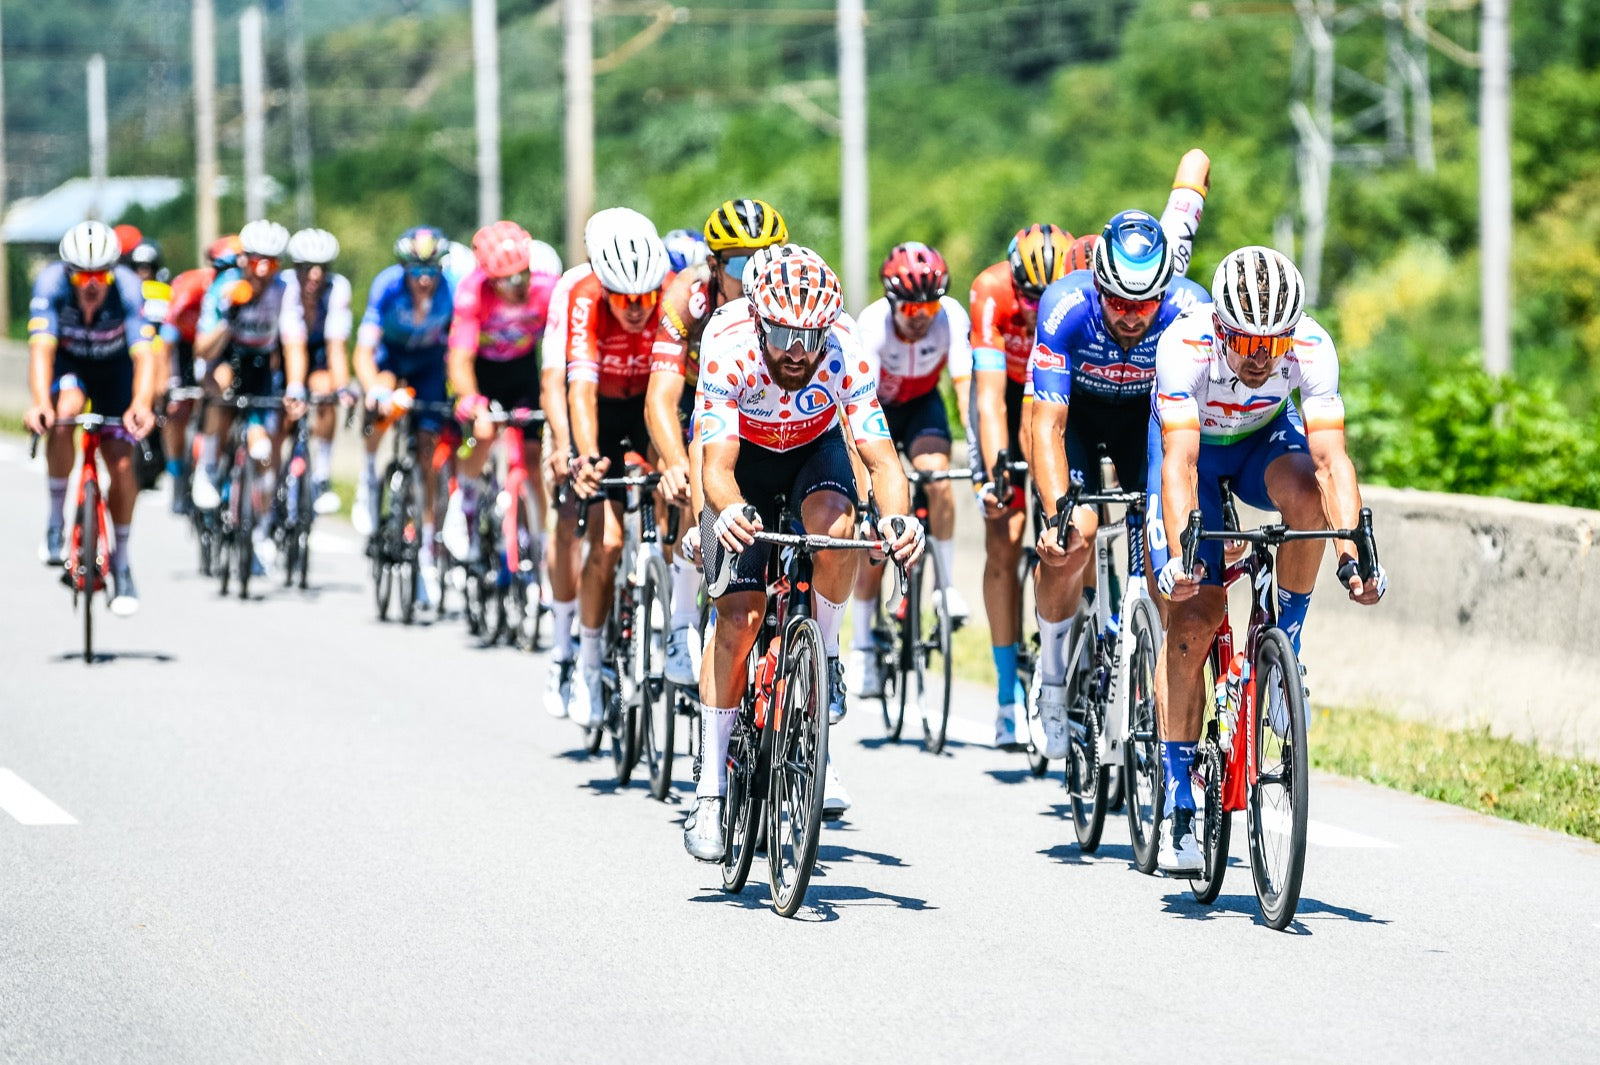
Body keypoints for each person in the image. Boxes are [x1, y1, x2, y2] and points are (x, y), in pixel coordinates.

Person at [1148, 245, 1388, 873]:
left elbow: (1333, 461)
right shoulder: (1184, 345)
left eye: (1274, 346)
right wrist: (1181, 554)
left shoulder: (1311, 345)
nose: (1259, 358)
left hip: (1260, 445)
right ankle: (1178, 797)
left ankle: (1288, 651)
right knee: (1195, 614)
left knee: (1308, 497)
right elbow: (1179, 465)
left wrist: (1352, 550)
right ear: (1220, 328)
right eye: (1247, 343)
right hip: (1192, 451)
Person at [682, 245, 925, 860]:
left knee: (838, 527)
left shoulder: (841, 348)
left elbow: (879, 457)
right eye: (786, 334)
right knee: (739, 618)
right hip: (744, 461)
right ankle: (711, 791)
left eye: (810, 336)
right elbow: (715, 465)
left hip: (813, 452)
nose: (798, 350)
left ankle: (826, 656)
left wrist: (898, 519)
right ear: (761, 320)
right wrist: (730, 510)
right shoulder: (726, 340)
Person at [1026, 158, 1213, 757]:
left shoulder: (1189, 305)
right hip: (1078, 416)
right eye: (1119, 304)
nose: (1132, 318)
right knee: (1073, 538)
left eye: (1145, 305)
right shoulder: (1064, 307)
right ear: (1098, 287)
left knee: (1170, 570)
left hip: (1145, 422)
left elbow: (1193, 434)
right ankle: (1051, 678)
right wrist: (1056, 513)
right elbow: (1045, 425)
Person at [647, 198, 791, 690]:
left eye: (766, 259)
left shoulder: (789, 293)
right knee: (696, 473)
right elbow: (660, 397)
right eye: (741, 263)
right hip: (696, 396)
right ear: (713, 266)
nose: (756, 274)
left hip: (754, 401)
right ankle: (682, 618)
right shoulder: (686, 296)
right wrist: (671, 464)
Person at [557, 208, 673, 728]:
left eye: (646, 299)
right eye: (624, 300)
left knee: (676, 497)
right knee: (603, 542)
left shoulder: (669, 293)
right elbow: (578, 391)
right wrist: (584, 458)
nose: (636, 309)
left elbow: (671, 396)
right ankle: (585, 664)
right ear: (604, 288)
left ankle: (670, 620)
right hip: (600, 412)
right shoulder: (582, 296)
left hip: (648, 405)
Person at [846, 241, 973, 698]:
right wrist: (866, 486)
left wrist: (976, 448)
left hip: (920, 406)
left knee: (937, 476)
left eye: (929, 305)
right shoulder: (872, 325)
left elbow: (964, 386)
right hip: (873, 408)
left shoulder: (952, 317)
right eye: (911, 307)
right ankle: (861, 644)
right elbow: (858, 407)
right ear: (893, 302)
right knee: (875, 529)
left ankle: (946, 587)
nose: (921, 315)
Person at [967, 222, 1073, 747]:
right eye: (1028, 296)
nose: (1035, 307)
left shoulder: (1080, 287)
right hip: (1006, 399)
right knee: (1005, 536)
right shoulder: (990, 291)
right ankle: (1007, 696)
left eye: (1044, 297)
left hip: (1060, 395)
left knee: (1077, 521)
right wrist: (997, 470)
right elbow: (988, 400)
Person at [24, 221, 158, 615]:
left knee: (120, 463)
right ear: (69, 273)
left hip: (116, 371)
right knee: (64, 412)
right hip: (72, 366)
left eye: (101, 274)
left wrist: (143, 403)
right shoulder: (50, 286)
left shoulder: (129, 289)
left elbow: (145, 356)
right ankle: (55, 521)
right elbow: (41, 351)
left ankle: (122, 562)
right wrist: (38, 403)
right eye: (83, 274)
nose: (92, 283)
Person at [191, 220, 310, 573]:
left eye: (271, 264)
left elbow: (294, 342)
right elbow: (201, 348)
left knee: (262, 450)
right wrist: (229, 317)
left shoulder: (284, 290)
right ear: (243, 260)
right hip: (224, 356)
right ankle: (209, 466)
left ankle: (258, 526)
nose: (262, 272)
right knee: (222, 387)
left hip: (260, 363)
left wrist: (296, 387)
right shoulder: (225, 287)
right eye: (256, 261)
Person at [441, 221, 560, 566]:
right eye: (507, 280)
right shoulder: (472, 292)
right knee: (484, 431)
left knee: (534, 457)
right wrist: (471, 400)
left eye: (522, 274)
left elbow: (565, 350)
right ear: (490, 278)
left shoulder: (546, 287)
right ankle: (463, 499)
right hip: (483, 371)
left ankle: (538, 542)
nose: (518, 284)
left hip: (522, 370)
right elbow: (460, 357)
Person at [350, 226, 455, 607]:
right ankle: (367, 476)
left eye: (431, 270)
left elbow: (461, 344)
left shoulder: (452, 288)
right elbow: (364, 350)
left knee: (428, 454)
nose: (424, 278)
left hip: (429, 365)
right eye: (416, 270)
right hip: (391, 360)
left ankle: (426, 548)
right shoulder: (386, 286)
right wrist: (372, 387)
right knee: (380, 408)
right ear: (403, 268)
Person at [160, 236, 239, 512]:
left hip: (224, 346)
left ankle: (224, 461)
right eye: (224, 268)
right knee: (177, 409)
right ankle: (177, 474)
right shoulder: (192, 287)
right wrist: (166, 382)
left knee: (227, 398)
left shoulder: (243, 292)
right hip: (184, 346)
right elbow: (166, 342)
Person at [281, 228, 355, 516]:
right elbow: (293, 345)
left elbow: (337, 346)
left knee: (325, 391)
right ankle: (274, 474)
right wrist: (295, 387)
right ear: (295, 268)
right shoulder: (285, 287)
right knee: (284, 415)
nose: (314, 275)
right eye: (306, 268)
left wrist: (343, 388)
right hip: (286, 351)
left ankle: (322, 475)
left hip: (320, 351)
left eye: (321, 268)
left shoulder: (338, 288)